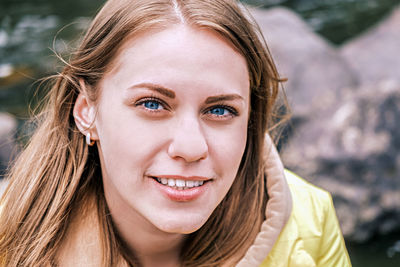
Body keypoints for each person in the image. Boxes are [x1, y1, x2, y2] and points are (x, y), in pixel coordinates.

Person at [0, 0, 351, 266]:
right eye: (152, 104)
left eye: (220, 110)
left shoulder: (311, 218)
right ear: (86, 111)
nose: (190, 147)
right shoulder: (9, 237)